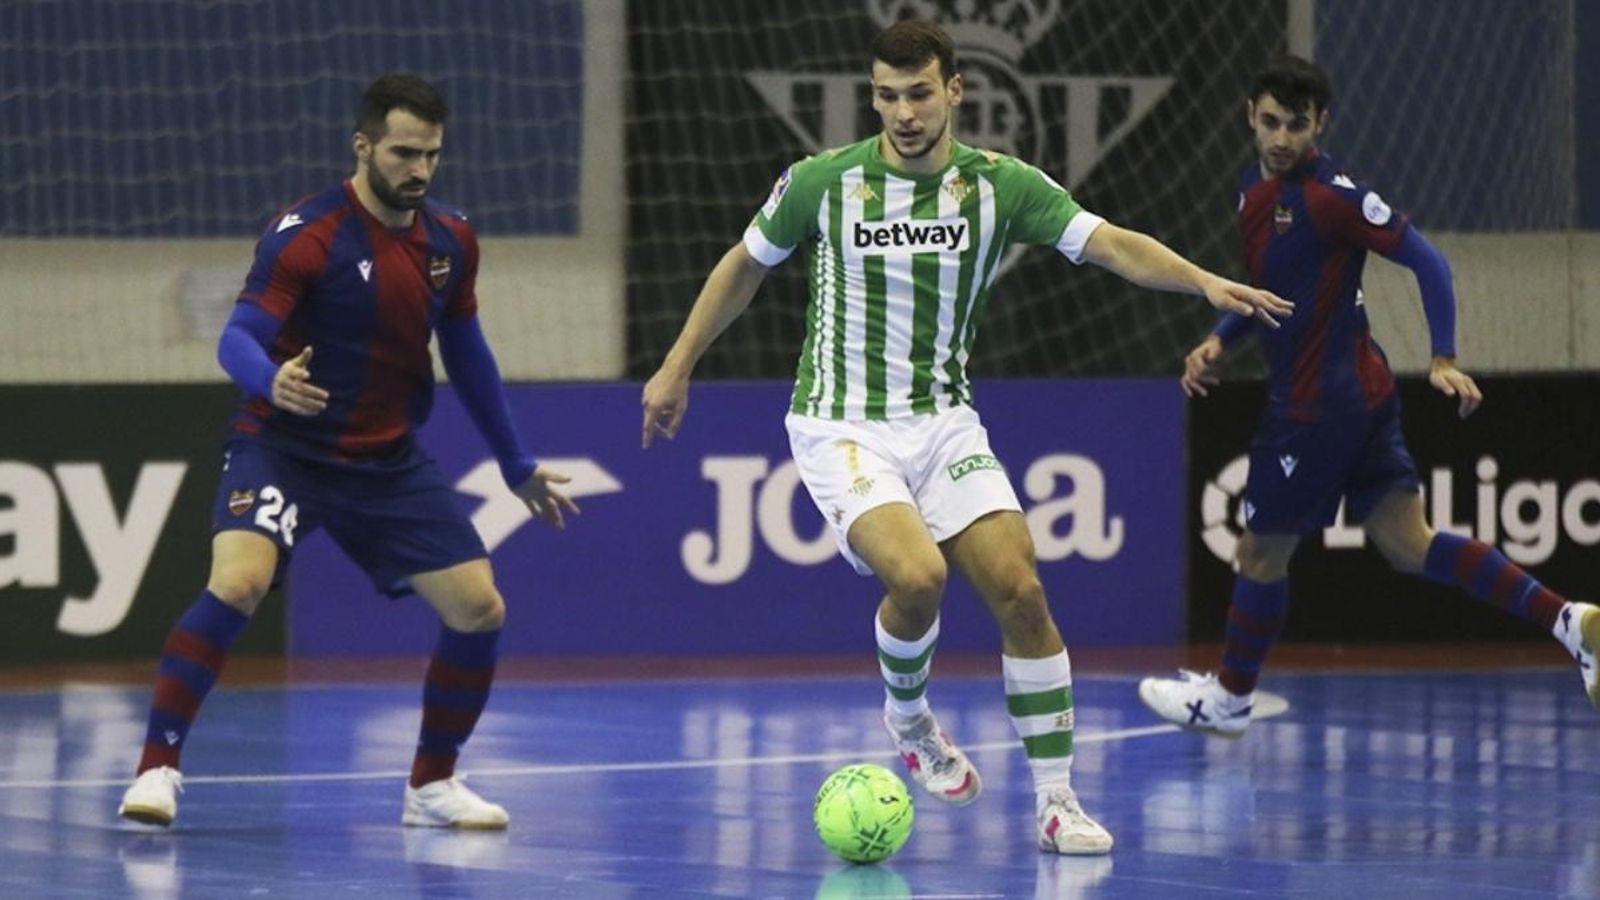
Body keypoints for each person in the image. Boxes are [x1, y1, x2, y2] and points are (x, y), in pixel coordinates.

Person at [640, 20, 1292, 855]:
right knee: (918, 577)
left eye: (919, 93)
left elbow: (1109, 244)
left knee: (1020, 591)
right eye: (886, 95)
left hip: (944, 420)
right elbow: (744, 264)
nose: (903, 112)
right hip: (840, 423)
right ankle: (909, 718)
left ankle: (1057, 802)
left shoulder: (1000, 186)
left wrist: (1201, 279)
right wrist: (676, 366)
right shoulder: (823, 182)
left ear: (955, 90)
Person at [117, 73, 578, 830]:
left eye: (431, 154)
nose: (419, 170)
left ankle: (431, 785)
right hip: (283, 447)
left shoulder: (451, 241)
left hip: (387, 462)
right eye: (403, 152)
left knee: (479, 607)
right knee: (237, 585)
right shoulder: (306, 234)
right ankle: (158, 768)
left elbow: (467, 355)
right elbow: (236, 340)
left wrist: (515, 462)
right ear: (363, 146)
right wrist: (273, 381)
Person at [1138, 55, 1598, 735]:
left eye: (1298, 125)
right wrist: (1219, 339)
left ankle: (1230, 699)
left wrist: (1443, 355)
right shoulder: (1252, 192)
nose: (1282, 138)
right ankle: (1569, 621)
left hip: (1313, 409)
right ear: (1250, 117)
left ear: (1321, 124)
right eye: (1271, 122)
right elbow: (1276, 290)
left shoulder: (1333, 197)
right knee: (1408, 543)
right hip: (1364, 395)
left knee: (1259, 554)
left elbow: (1429, 261)